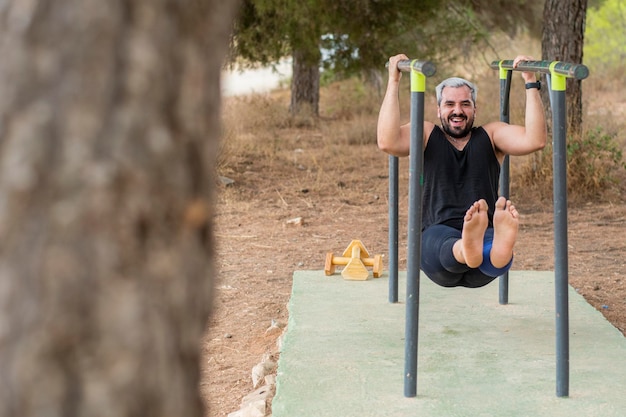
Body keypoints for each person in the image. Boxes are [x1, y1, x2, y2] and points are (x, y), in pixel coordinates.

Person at [377, 54, 547, 288]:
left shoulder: (491, 135)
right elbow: (388, 141)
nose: (458, 111)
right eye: (450, 104)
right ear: (438, 110)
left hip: (482, 241)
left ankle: (488, 249)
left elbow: (534, 140)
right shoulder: (426, 135)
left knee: (489, 247)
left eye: (465, 104)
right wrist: (393, 80)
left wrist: (530, 82)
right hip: (436, 245)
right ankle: (470, 248)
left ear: (475, 109)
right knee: (453, 246)